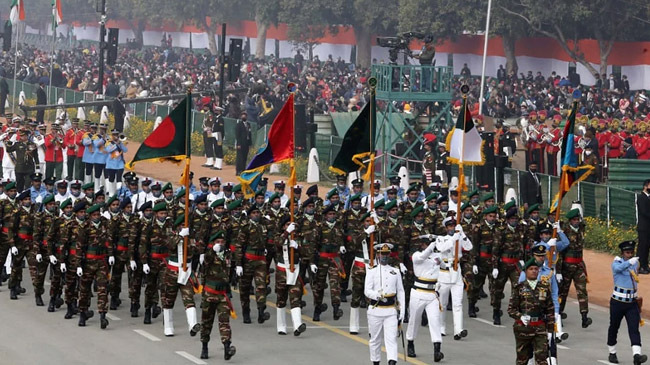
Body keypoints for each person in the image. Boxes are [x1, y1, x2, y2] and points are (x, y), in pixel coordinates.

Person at [405, 215, 443, 361]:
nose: (426, 245)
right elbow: (422, 257)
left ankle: (437, 349)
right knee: (414, 320)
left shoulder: (436, 255)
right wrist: (432, 246)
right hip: (418, 292)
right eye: (425, 243)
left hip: (432, 294)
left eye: (428, 243)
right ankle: (410, 342)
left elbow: (446, 264)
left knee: (435, 321)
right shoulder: (416, 255)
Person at [508, 258, 555, 365]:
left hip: (539, 327)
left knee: (542, 358)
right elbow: (511, 309)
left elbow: (550, 309)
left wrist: (550, 331)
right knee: (522, 359)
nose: (534, 271)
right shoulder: (519, 288)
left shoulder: (544, 287)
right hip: (523, 328)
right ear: (526, 271)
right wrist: (520, 316)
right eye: (531, 269)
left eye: (536, 269)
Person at [607, 240, 647, 365]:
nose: (629, 254)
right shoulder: (617, 263)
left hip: (631, 303)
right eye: (627, 252)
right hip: (618, 302)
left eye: (631, 252)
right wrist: (629, 262)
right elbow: (618, 269)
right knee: (614, 327)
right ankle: (612, 352)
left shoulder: (635, 263)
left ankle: (637, 356)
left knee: (634, 329)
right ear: (622, 253)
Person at [365, 243, 405, 365]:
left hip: (390, 311)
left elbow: (400, 291)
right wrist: (376, 294)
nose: (384, 256)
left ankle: (392, 361)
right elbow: (367, 290)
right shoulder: (372, 271)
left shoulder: (395, 271)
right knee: (375, 340)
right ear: (377, 254)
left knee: (391, 339)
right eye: (382, 254)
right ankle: (376, 361)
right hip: (376, 310)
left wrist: (402, 311)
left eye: (387, 254)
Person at [200, 231, 237, 360]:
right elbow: (206, 261)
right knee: (206, 322)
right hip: (210, 292)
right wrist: (211, 250)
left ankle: (227, 347)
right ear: (213, 243)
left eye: (222, 242)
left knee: (224, 322)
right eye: (217, 242)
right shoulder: (209, 255)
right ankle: (204, 346)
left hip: (222, 294)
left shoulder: (228, 254)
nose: (220, 244)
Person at [76, 203, 113, 329]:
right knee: (85, 289)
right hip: (88, 262)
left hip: (101, 262)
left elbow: (109, 240)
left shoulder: (105, 224)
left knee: (103, 288)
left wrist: (110, 255)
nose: (97, 217)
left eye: (98, 214)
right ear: (90, 216)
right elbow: (79, 247)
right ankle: (82, 313)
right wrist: (79, 265)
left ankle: (103, 316)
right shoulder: (84, 227)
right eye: (94, 215)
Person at [436, 216, 472, 339]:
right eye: (450, 226)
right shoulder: (441, 239)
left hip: (456, 272)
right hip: (444, 274)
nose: (452, 228)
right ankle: (441, 327)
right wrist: (454, 239)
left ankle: (458, 330)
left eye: (453, 226)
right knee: (443, 303)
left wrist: (462, 233)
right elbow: (442, 248)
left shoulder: (459, 237)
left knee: (458, 304)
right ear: (446, 228)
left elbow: (469, 247)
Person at [234, 205, 270, 324]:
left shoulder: (263, 225)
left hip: (260, 261)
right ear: (249, 215)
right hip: (248, 261)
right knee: (245, 288)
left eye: (257, 212)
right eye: (253, 213)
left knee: (261, 287)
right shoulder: (245, 228)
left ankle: (261, 312)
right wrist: (238, 264)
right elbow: (239, 246)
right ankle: (246, 312)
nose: (256, 215)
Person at [557, 208, 592, 328]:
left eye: (578, 219)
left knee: (582, 291)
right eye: (574, 220)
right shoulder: (564, 230)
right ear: (570, 221)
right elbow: (560, 252)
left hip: (579, 265)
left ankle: (584, 316)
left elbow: (583, 223)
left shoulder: (581, 228)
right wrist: (558, 270)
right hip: (567, 265)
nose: (576, 221)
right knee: (563, 292)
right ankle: (559, 314)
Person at [312, 204, 346, 321]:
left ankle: (336, 309)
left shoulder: (338, 226)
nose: (332, 216)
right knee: (319, 286)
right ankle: (317, 309)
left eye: (333, 214)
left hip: (335, 259)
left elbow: (341, 239)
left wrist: (341, 246)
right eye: (330, 214)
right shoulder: (320, 227)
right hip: (323, 259)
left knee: (335, 285)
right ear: (325, 216)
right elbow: (314, 245)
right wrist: (312, 262)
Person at [274, 217, 307, 336]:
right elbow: (277, 244)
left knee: (295, 298)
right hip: (282, 270)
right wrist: (287, 232)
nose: (291, 226)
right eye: (287, 224)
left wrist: (298, 247)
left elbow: (307, 253)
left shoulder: (299, 237)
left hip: (294, 270)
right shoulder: (279, 235)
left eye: (292, 224)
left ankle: (297, 325)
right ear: (283, 226)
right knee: (281, 299)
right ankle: (281, 326)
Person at [637, 179, 650, 274]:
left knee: (647, 247)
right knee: (643, 246)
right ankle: (641, 266)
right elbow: (644, 212)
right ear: (646, 186)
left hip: (648, 227)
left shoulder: (648, 197)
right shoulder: (641, 197)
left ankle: (646, 265)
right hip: (643, 227)